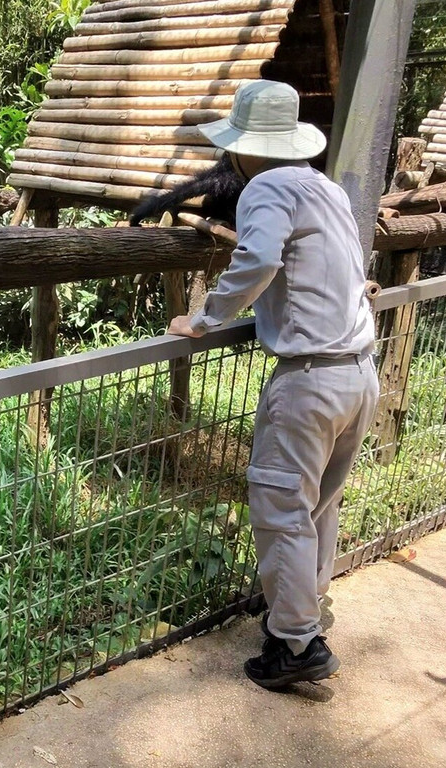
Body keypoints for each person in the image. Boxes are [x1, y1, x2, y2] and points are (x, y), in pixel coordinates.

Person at [167, 80, 378, 689]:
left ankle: (296, 645)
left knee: (281, 507)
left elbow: (258, 260)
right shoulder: (324, 187)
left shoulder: (266, 187)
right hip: (358, 371)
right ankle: (304, 613)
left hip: (309, 379)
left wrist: (203, 319)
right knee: (318, 505)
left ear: (244, 147)